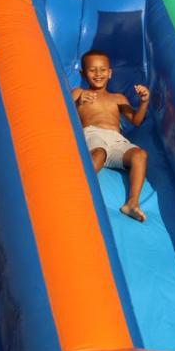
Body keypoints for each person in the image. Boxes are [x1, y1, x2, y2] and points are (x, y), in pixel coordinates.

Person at [71, 50, 151, 222]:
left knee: (140, 155)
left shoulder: (118, 98)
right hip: (92, 133)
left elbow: (136, 121)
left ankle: (132, 203)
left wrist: (144, 102)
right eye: (92, 70)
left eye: (102, 70)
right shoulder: (79, 93)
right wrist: (77, 103)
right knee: (98, 152)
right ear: (83, 74)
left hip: (117, 139)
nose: (98, 74)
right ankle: (79, 192)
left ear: (110, 72)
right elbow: (62, 112)